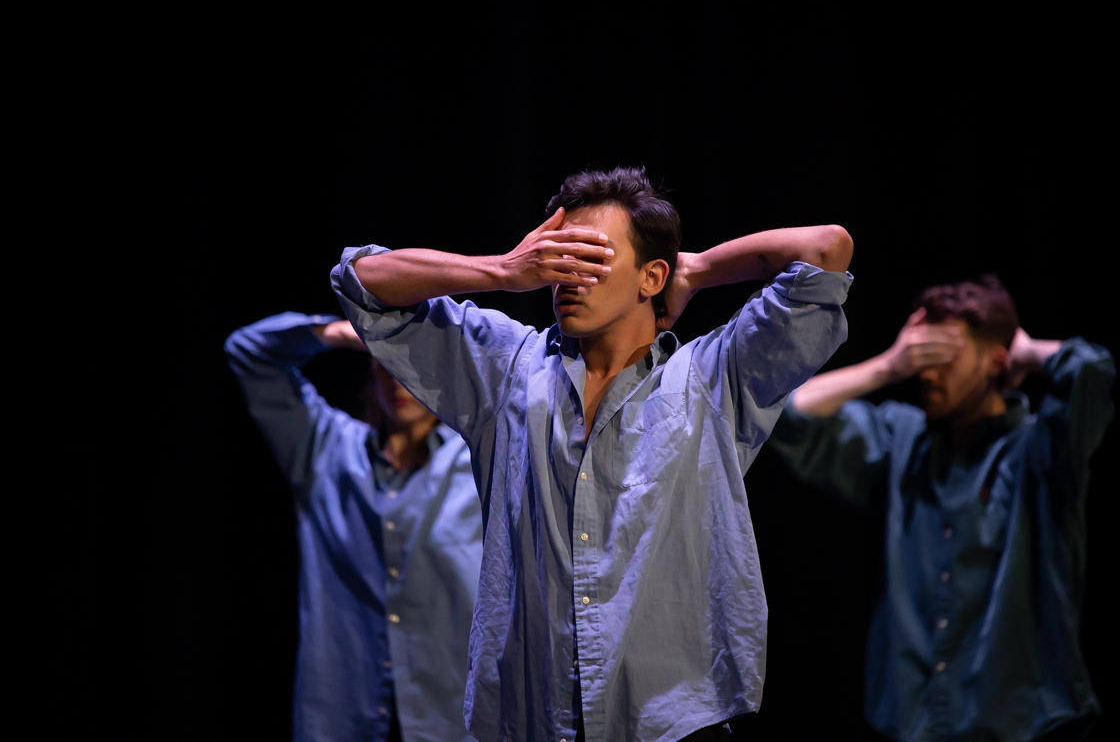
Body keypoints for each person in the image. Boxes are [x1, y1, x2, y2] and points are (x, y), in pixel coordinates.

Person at [329, 167, 854, 741]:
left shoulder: (711, 376)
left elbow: (825, 249)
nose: (565, 274)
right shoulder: (506, 369)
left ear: (651, 276)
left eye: (589, 257)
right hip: (533, 718)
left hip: (671, 725)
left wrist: (696, 269)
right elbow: (362, 280)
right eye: (557, 255)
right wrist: (503, 270)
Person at [766, 276, 1115, 741]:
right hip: (913, 725)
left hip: (1020, 727)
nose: (927, 372)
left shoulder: (1040, 451)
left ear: (996, 361)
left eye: (943, 355)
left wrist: (1024, 351)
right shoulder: (902, 440)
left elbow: (1091, 370)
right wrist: (888, 365)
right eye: (922, 355)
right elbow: (791, 416)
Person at [225, 311, 483, 742]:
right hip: (343, 716)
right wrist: (340, 333)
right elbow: (248, 352)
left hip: (452, 720)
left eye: (413, 362)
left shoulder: (477, 464)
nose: (399, 379)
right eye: (387, 362)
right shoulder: (326, 451)